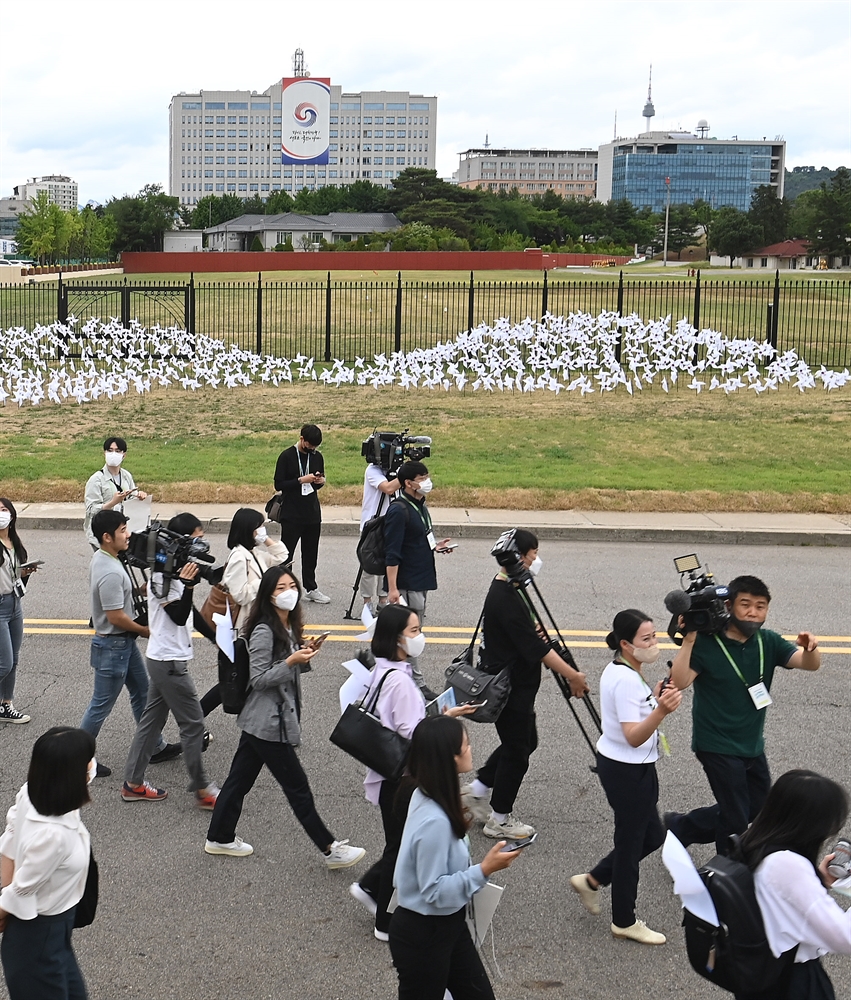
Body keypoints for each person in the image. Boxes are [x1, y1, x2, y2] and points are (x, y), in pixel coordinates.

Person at [205, 565, 366, 869]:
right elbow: (260, 679)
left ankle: (219, 836)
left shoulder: (285, 626)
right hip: (268, 723)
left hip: (260, 722)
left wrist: (303, 652)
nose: (288, 592)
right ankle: (331, 849)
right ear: (268, 594)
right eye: (280, 588)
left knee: (238, 781)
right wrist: (292, 660)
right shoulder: (265, 630)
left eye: (291, 585)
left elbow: (285, 670)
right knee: (298, 788)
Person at [667, 574, 821, 855]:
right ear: (729, 606)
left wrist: (810, 648)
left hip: (751, 744)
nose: (753, 611)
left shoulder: (768, 641)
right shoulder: (707, 642)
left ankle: (681, 827)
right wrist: (688, 640)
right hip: (715, 744)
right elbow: (680, 682)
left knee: (757, 807)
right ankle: (725, 874)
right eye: (746, 604)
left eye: (760, 606)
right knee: (735, 817)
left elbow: (808, 664)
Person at [350, 605, 474, 942]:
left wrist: (442, 713)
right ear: (397, 638)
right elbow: (413, 732)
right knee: (399, 846)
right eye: (415, 631)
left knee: (398, 841)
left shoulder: (385, 670)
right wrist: (445, 721)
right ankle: (383, 917)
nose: (420, 636)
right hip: (402, 777)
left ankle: (371, 888)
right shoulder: (401, 682)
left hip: (387, 772)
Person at [462, 529, 588, 840]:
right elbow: (538, 650)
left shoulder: (511, 586)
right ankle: (500, 819)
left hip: (517, 685)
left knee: (524, 742)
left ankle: (476, 791)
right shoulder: (506, 596)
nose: (536, 559)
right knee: (518, 750)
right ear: (519, 557)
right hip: (510, 689)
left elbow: (526, 635)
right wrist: (572, 676)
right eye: (533, 554)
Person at [389, 715, 522, 1000]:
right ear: (449, 757)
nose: (471, 749)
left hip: (447, 925)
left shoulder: (427, 792)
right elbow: (434, 889)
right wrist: (484, 869)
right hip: (424, 936)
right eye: (466, 744)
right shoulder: (435, 821)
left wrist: (442, 722)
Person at [569, 610, 682, 946]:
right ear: (625, 644)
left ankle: (592, 880)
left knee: (652, 836)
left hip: (635, 767)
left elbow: (635, 714)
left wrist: (655, 697)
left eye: (654, 636)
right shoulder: (624, 679)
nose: (653, 643)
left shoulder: (629, 669)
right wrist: (661, 709)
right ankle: (624, 920)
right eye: (646, 639)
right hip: (627, 771)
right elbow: (633, 735)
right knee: (631, 845)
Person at [121, 513, 220, 809]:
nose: (201, 542)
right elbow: (178, 616)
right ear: (181, 541)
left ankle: (133, 783)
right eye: (197, 537)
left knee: (150, 724)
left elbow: (192, 614)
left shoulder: (175, 569)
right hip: (169, 663)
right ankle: (203, 790)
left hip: (163, 660)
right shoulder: (162, 576)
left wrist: (217, 639)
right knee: (192, 725)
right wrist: (190, 587)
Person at [735, 769, 851, 1000]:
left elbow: (782, 902)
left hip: (761, 977)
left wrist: (818, 880)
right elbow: (845, 937)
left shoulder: (754, 843)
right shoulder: (789, 867)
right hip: (792, 982)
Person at [0, 726, 96, 1000]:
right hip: (41, 934)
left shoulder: (33, 792)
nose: (92, 764)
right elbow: (21, 889)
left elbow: (10, 836)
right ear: (72, 774)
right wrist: (6, 909)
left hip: (53, 931)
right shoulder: (55, 836)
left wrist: (8, 890)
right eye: (89, 759)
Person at [80, 510, 178, 777]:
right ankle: (78, 760)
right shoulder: (110, 570)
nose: (128, 535)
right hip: (113, 646)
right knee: (100, 705)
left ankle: (155, 746)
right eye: (123, 530)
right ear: (107, 536)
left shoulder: (105, 558)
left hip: (122, 645)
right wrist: (145, 631)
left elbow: (114, 600)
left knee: (142, 692)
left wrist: (136, 591)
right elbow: (116, 616)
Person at [383, 460, 453, 691]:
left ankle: (377, 666)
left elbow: (419, 537)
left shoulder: (420, 505)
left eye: (427, 476)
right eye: (422, 478)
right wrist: (392, 589)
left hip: (421, 578)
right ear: (408, 483)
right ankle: (416, 683)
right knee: (410, 636)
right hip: (406, 583)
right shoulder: (398, 510)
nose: (427, 482)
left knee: (404, 634)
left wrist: (435, 546)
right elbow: (391, 554)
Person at [273, 424, 329, 603]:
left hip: (312, 511)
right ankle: (283, 587)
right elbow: (279, 484)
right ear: (302, 439)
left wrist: (320, 481)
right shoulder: (287, 456)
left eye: (315, 446)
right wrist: (300, 480)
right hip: (291, 512)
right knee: (286, 553)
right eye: (310, 445)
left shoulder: (317, 456)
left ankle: (311, 588)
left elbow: (318, 481)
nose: (312, 449)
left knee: (311, 552)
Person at [221, 507, 289, 633]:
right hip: (246, 623)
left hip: (259, 617)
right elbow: (240, 595)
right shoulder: (239, 557)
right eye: (260, 526)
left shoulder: (254, 553)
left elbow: (281, 556)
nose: (262, 530)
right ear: (249, 529)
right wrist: (265, 581)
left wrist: (265, 539)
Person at [0, 498, 37, 724]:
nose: (1, 514)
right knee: (4, 662)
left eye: (4, 510)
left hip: (15, 604)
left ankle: (6, 705)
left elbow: (12, 576)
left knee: (13, 659)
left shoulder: (14, 543)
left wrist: (24, 574)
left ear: (12, 515)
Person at [83, 436, 148, 550]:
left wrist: (139, 496)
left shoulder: (126, 476)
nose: (113, 454)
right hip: (103, 534)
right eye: (110, 450)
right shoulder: (96, 479)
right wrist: (112, 503)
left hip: (121, 533)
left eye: (117, 451)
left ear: (124, 455)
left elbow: (131, 496)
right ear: (104, 453)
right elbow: (91, 510)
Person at [358, 459, 400, 614]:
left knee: (389, 563)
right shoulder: (372, 470)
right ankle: (367, 601)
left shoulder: (399, 470)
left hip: (391, 523)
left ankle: (383, 600)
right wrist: (404, 476)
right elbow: (388, 488)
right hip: (372, 524)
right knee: (368, 566)